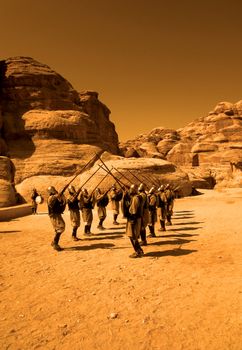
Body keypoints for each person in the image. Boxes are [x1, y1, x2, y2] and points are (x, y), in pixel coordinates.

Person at [126, 184, 144, 258]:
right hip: (138, 218)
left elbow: (133, 210)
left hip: (134, 219)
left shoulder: (135, 198)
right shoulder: (139, 196)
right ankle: (139, 250)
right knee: (133, 235)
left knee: (132, 236)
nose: (130, 190)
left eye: (131, 189)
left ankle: (138, 251)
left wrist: (132, 219)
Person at [47, 186, 66, 251]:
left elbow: (61, 203)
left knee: (60, 227)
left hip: (57, 214)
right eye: (53, 190)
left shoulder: (56, 197)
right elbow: (51, 203)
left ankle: (54, 242)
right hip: (54, 215)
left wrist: (62, 196)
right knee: (60, 227)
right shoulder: (50, 198)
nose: (55, 190)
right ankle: (55, 243)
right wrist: (58, 195)